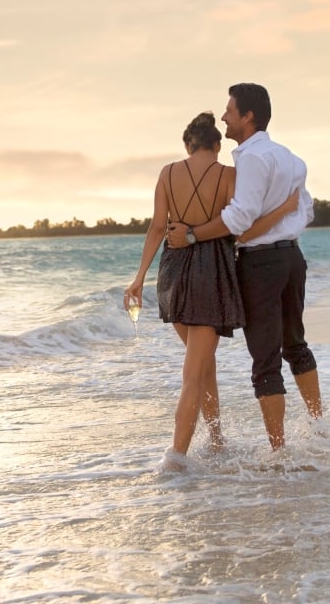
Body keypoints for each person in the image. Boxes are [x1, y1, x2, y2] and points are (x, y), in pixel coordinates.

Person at [124, 112, 297, 469]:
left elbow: (157, 227)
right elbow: (239, 227)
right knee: (194, 372)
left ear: (187, 145)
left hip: (171, 273)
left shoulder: (167, 173)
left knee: (202, 364)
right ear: (217, 145)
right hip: (209, 273)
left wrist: (139, 278)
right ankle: (176, 458)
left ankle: (216, 440)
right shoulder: (227, 174)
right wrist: (283, 210)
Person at [167, 84, 322, 451]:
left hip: (262, 264)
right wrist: (281, 216)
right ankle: (321, 426)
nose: (224, 117)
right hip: (292, 258)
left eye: (230, 111)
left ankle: (278, 452)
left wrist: (191, 236)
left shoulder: (250, 158)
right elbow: (307, 210)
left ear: (247, 116)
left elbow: (238, 217)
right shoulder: (290, 157)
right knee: (295, 345)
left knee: (265, 358)